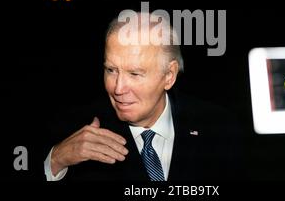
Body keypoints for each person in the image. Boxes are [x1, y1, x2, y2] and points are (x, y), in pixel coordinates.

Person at [44, 11, 245, 181]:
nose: (118, 88)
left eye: (135, 74)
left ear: (169, 75)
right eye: (111, 70)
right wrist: (56, 161)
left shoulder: (218, 128)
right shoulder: (75, 130)